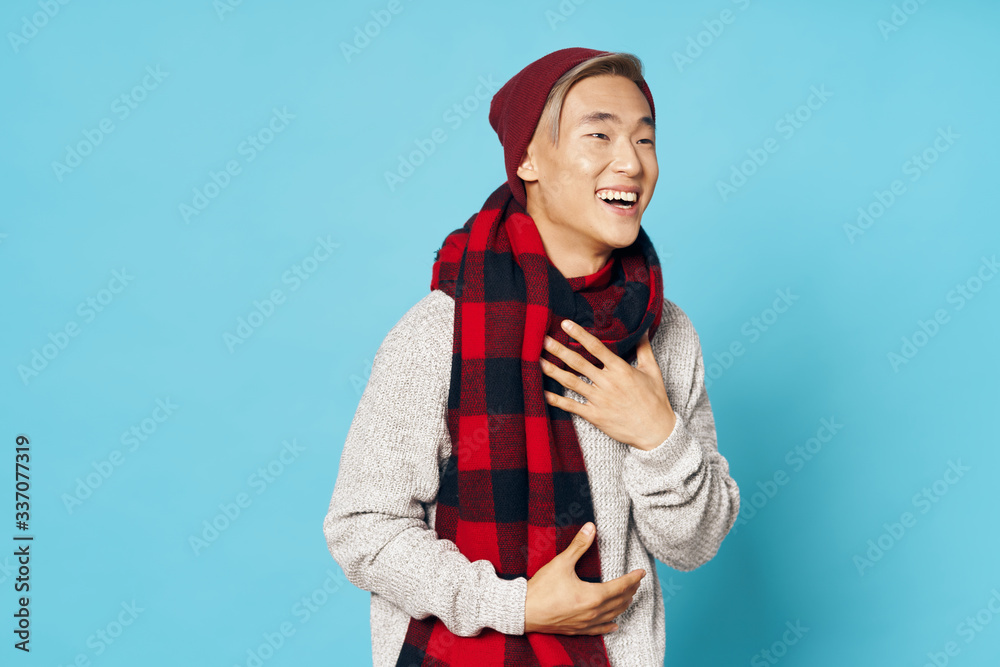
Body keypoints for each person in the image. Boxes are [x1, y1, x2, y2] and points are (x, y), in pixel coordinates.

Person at [323, 47, 741, 667]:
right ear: (527, 160)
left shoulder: (666, 333)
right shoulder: (443, 330)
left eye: (645, 141)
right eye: (598, 135)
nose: (629, 162)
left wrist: (658, 435)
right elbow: (362, 528)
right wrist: (513, 606)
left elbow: (694, 544)